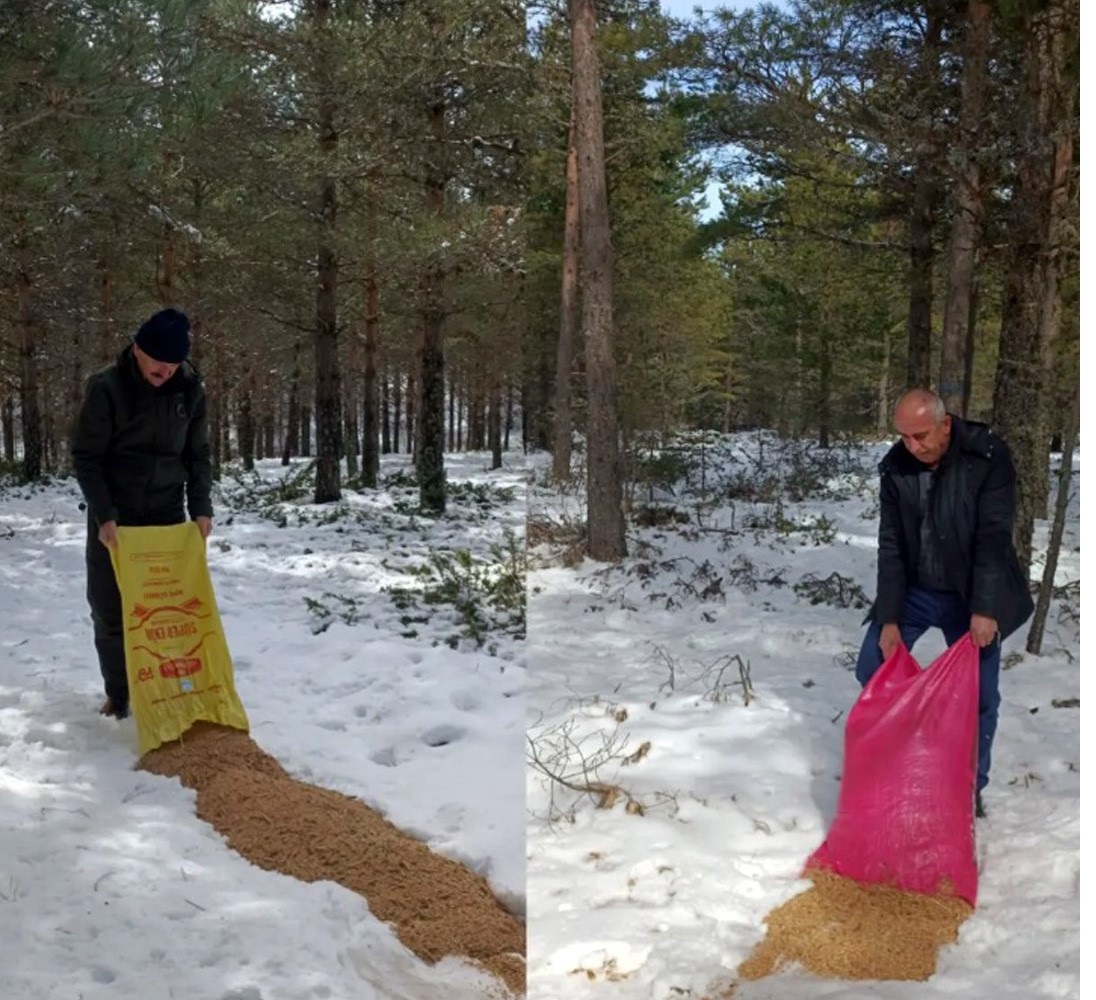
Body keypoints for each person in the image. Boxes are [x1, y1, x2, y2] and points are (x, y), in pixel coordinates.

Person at [856, 388, 1033, 818]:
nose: (912, 447)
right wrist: (891, 617)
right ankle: (905, 761)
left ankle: (970, 785)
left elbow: (993, 535)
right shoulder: (896, 466)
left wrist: (985, 608)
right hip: (916, 589)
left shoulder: (986, 456)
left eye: (920, 436)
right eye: (904, 437)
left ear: (945, 424)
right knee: (872, 667)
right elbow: (892, 544)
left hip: (970, 593)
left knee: (981, 694)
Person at [71, 307, 213, 719]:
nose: (165, 371)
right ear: (138, 349)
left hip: (166, 513)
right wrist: (104, 515)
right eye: (158, 362)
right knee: (111, 606)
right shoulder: (106, 388)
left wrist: (200, 507)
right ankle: (121, 694)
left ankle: (167, 687)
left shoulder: (189, 388)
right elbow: (87, 456)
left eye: (172, 365)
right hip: (115, 515)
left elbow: (198, 453)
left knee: (168, 608)